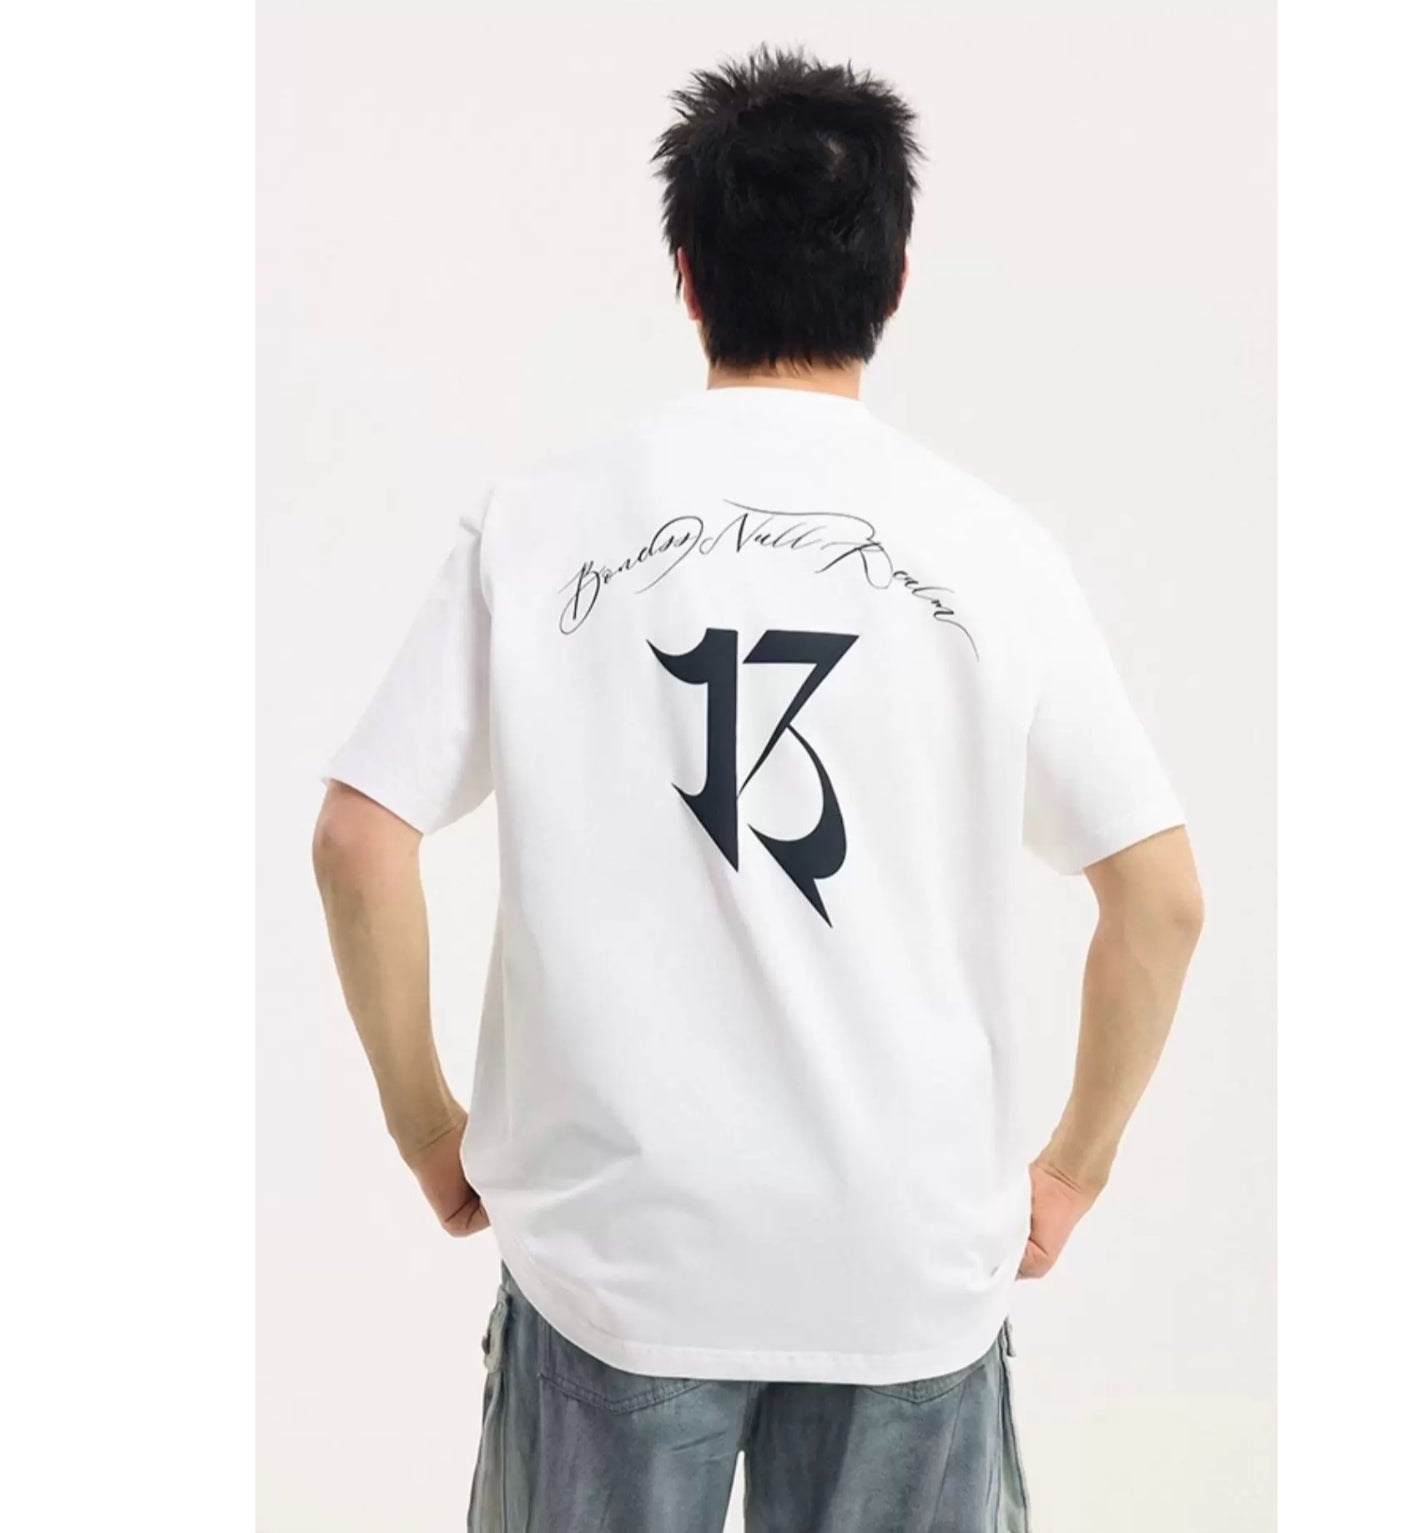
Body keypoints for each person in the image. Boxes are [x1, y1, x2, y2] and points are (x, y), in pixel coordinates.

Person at [313, 44, 1203, 1533]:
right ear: (895, 279)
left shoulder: (537, 525)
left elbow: (359, 839)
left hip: (614, 1257)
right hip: (906, 1262)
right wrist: (1073, 1170)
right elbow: (1161, 898)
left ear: (686, 275)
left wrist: (425, 1126)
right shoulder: (994, 553)